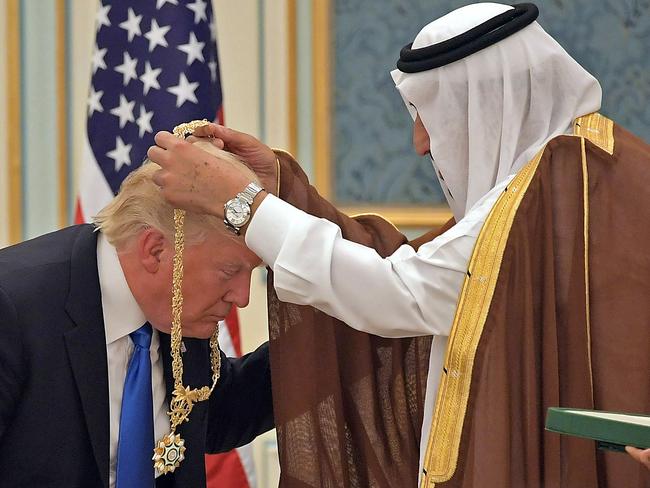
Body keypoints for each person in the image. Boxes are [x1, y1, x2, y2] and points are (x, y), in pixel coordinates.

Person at [148, 3, 650, 486]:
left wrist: (245, 204)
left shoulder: (560, 187)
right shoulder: (582, 171)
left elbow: (403, 292)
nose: (420, 143)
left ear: (487, 104)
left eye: (429, 114)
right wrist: (283, 192)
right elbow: (417, 271)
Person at [0, 141, 273, 488]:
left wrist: (330, 334)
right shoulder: (13, 307)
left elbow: (216, 414)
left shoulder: (178, 311)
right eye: (229, 271)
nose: (243, 297)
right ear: (156, 250)